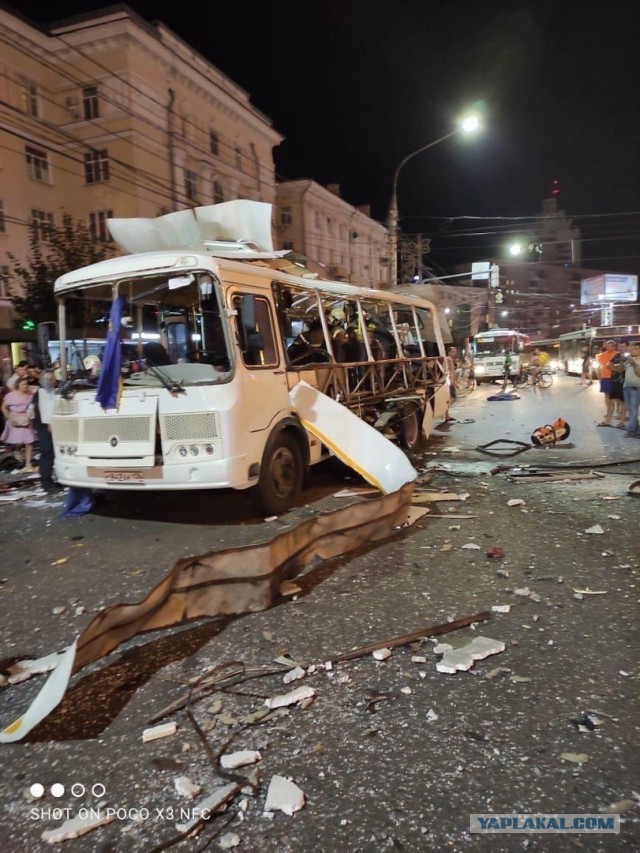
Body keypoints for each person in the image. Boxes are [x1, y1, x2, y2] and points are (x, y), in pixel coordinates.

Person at [0, 376, 36, 472]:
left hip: (26, 419)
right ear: (18, 385)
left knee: (29, 441)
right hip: (15, 419)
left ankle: (28, 463)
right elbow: (3, 407)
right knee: (18, 441)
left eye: (26, 384)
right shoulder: (11, 395)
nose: (25, 386)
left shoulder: (30, 394)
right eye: (23, 384)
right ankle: (17, 450)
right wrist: (9, 418)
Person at [36, 368, 61, 492]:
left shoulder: (51, 391)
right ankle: (46, 482)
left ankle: (51, 479)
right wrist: (50, 423)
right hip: (45, 428)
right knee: (47, 454)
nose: (54, 380)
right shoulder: (41, 393)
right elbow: (45, 411)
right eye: (51, 379)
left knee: (52, 453)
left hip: (51, 426)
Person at [596, 340, 618, 426]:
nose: (609, 348)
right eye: (608, 346)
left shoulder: (617, 354)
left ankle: (610, 414)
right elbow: (599, 367)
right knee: (607, 396)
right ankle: (608, 411)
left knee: (612, 397)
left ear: (614, 347)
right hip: (604, 378)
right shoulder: (601, 355)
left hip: (613, 378)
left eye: (611, 346)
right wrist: (599, 377)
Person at [622, 341, 640, 439]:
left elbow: (639, 374)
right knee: (631, 411)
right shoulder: (630, 360)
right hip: (627, 387)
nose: (633, 350)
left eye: (636, 348)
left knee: (634, 411)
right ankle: (637, 430)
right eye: (632, 348)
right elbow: (620, 370)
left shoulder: (635, 361)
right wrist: (621, 363)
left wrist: (632, 363)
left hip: (636, 389)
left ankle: (631, 432)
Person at [609, 342, 628, 428]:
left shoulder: (629, 357)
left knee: (623, 402)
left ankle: (622, 421)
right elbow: (608, 365)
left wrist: (614, 368)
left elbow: (621, 369)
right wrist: (615, 367)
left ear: (627, 347)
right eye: (619, 346)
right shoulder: (617, 356)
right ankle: (607, 421)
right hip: (614, 381)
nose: (620, 348)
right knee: (611, 400)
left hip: (624, 382)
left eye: (622, 346)